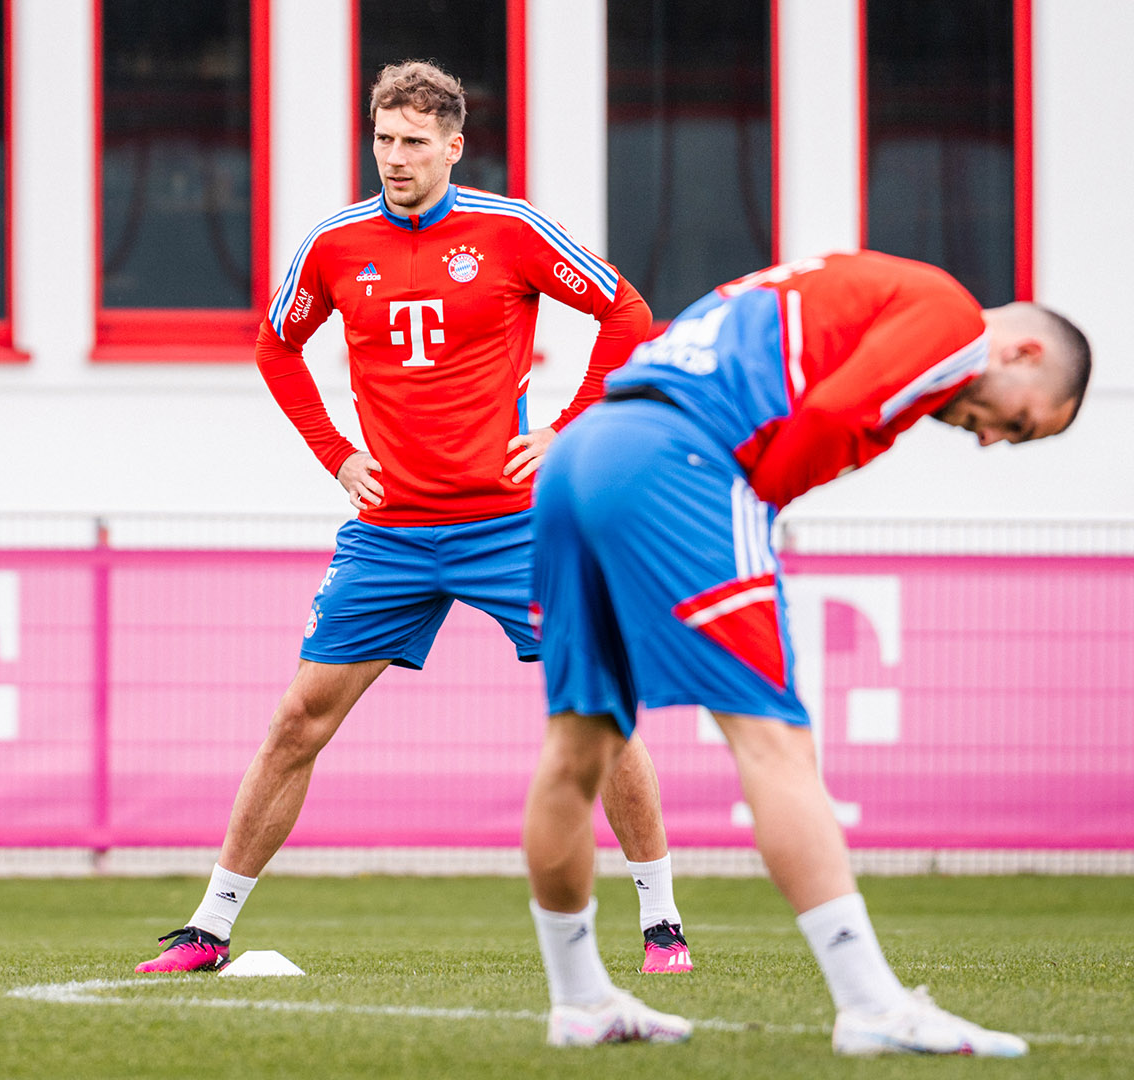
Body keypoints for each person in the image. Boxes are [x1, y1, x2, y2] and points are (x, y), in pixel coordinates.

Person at [138, 62, 691, 976]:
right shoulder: (334, 244)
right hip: (390, 531)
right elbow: (278, 344)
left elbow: (626, 312)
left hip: (514, 528)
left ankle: (662, 924)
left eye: (414, 143)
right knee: (297, 721)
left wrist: (566, 428)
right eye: (384, 140)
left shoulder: (509, 231)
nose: (395, 159)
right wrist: (336, 453)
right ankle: (209, 928)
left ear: (453, 147)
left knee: (599, 708)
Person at [523, 251, 1090, 1051]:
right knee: (773, 740)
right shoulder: (956, 322)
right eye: (1019, 424)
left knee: (577, 743)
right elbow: (830, 416)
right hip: (679, 459)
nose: (993, 441)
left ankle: (579, 1000)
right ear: (1024, 352)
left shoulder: (863, 285)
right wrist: (749, 506)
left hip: (584, 453)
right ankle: (873, 1007)